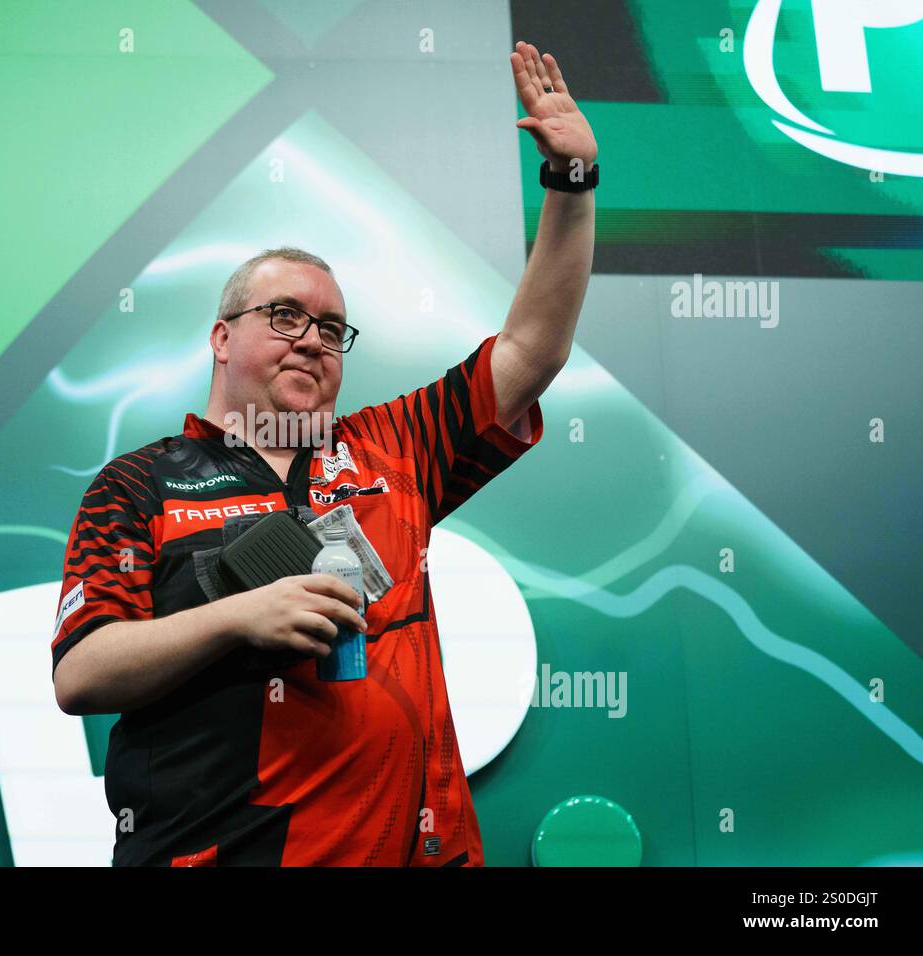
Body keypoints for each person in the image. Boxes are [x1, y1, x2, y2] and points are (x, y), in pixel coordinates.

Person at [51, 41, 596, 866]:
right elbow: (82, 671)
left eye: (333, 328)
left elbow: (533, 349)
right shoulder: (138, 484)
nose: (312, 339)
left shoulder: (395, 445)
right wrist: (240, 617)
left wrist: (572, 184)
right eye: (285, 316)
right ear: (222, 338)